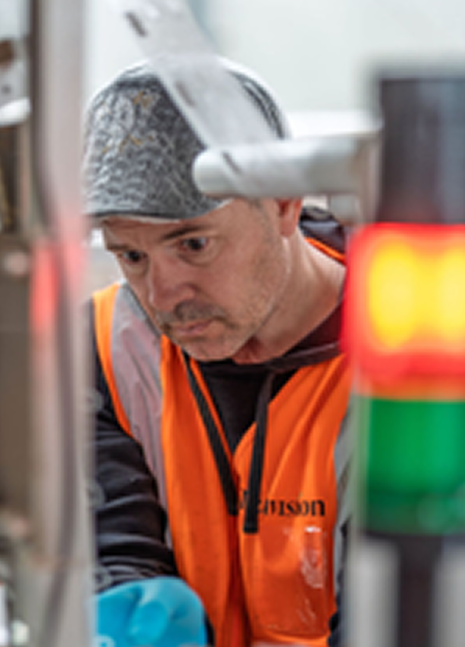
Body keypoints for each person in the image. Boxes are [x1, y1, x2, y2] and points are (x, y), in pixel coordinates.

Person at [85, 61, 352, 647]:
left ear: (283, 204)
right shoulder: (106, 348)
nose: (163, 297)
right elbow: (112, 549)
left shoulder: (403, 360)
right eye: (132, 256)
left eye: (193, 244)